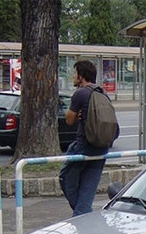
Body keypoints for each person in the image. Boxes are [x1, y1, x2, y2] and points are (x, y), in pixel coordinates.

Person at [59, 60, 110, 216]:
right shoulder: (102, 93)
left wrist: (76, 113)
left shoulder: (80, 93)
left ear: (81, 76)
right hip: (102, 147)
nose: (73, 76)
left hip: (84, 145)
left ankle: (82, 213)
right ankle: (83, 212)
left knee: (65, 178)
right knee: (88, 189)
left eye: (75, 73)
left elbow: (69, 120)